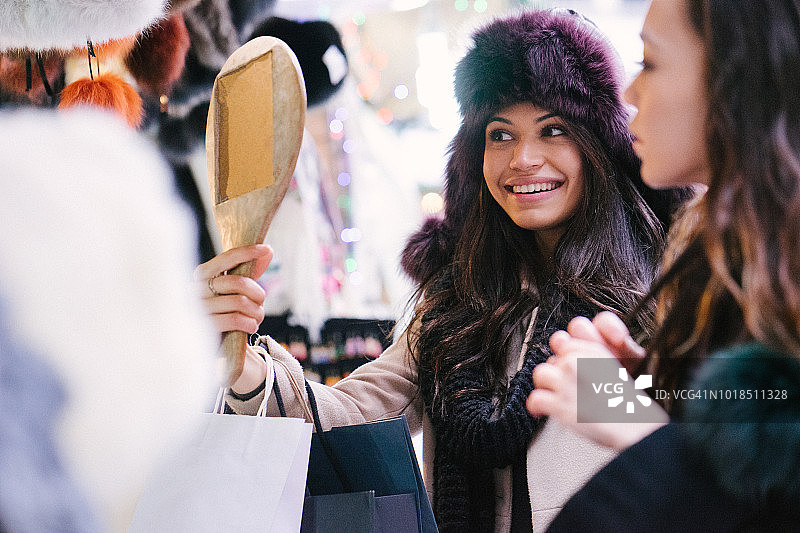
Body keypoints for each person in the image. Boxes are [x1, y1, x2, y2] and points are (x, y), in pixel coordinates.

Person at [195, 9, 685, 532]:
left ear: (601, 146)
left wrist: (628, 406)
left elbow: (718, 464)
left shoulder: (659, 295)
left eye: (554, 129)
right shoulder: (457, 304)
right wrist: (242, 363)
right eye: (500, 135)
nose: (523, 158)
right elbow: (354, 414)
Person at [527, 0, 800, 530]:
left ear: (735, 77)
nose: (631, 95)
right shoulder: (728, 256)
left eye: (650, 63)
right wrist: (655, 386)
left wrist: (633, 424)